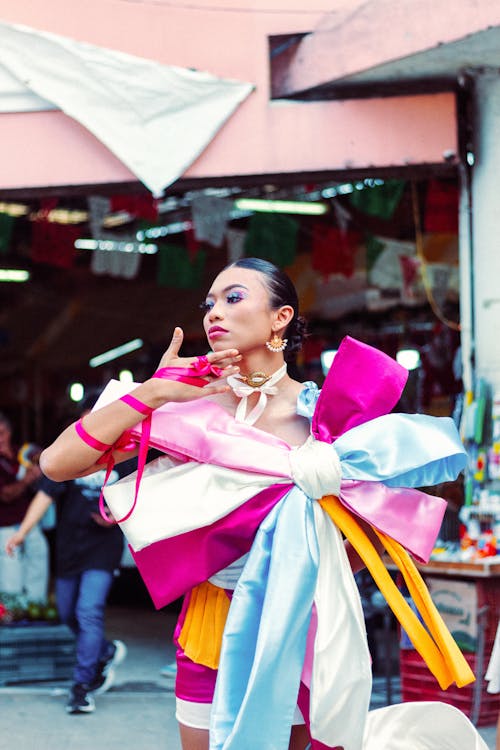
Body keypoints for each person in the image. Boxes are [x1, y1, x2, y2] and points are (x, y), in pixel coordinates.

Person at [39, 258, 487, 750]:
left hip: (300, 625)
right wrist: (150, 393)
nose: (214, 313)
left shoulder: (324, 418)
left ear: (281, 317)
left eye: (233, 298)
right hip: (211, 624)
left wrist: (311, 574)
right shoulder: (182, 408)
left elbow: (371, 522)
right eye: (208, 304)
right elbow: (58, 464)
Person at [6, 402, 130, 715]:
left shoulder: (126, 456)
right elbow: (44, 495)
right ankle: (103, 652)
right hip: (69, 548)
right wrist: (21, 533)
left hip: (103, 548)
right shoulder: (69, 455)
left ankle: (81, 687)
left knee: (88, 611)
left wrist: (118, 518)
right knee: (67, 614)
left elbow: (143, 498)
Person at [0, 412, 47, 602]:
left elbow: (42, 454)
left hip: (29, 522)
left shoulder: (21, 452)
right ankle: (13, 614)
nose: (0, 439)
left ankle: (37, 607)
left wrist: (38, 460)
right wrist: (28, 479)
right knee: (11, 571)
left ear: (10, 432)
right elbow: (5, 494)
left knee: (39, 558)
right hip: (5, 525)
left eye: (2, 433)